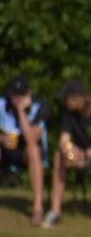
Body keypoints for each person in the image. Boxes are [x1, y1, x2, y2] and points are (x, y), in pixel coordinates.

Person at [42, 80, 91, 229]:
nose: (66, 102)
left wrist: (84, 155)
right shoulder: (68, 113)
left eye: (68, 99)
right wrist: (69, 151)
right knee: (59, 156)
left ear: (79, 98)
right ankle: (55, 211)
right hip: (83, 155)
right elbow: (64, 139)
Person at [0, 75, 50, 225]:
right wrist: (1, 139)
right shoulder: (1, 104)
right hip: (6, 149)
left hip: (28, 154)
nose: (17, 98)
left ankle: (37, 209)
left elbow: (31, 139)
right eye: (15, 95)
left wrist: (21, 111)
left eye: (21, 95)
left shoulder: (41, 108)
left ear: (28, 93)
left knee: (33, 151)